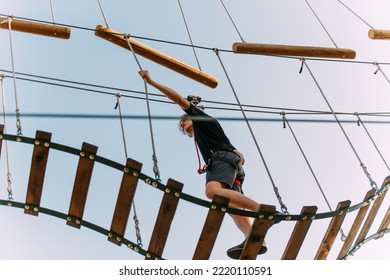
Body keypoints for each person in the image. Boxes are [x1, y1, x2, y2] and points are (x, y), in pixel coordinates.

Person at [139, 70, 278, 259]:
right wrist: (235, 154)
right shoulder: (211, 134)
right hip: (230, 163)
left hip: (221, 160)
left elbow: (179, 100)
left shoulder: (201, 119)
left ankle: (261, 211)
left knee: (212, 191)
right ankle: (252, 236)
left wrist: (151, 81)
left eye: (184, 121)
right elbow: (240, 157)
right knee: (228, 202)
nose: (182, 124)